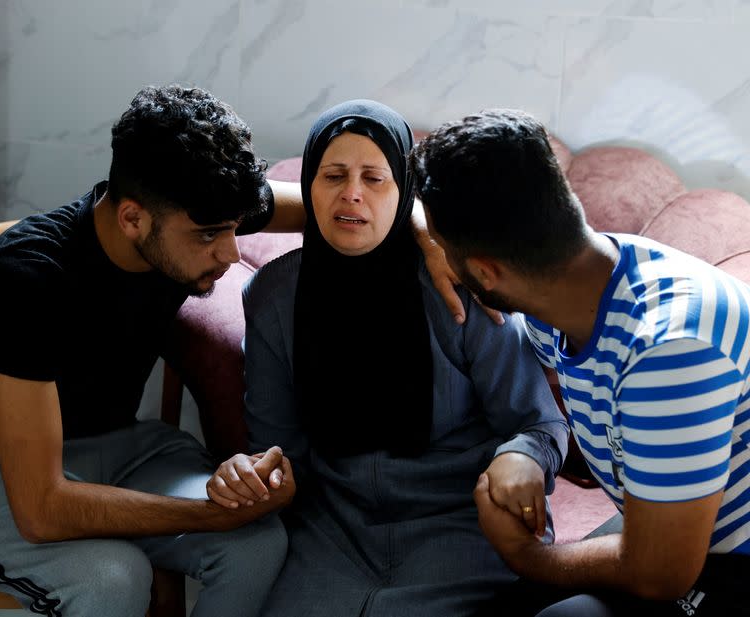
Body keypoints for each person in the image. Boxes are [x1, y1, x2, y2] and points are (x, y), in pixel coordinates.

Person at [0, 84, 304, 617]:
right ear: (133, 219)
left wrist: (421, 229)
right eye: (211, 235)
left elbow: (326, 206)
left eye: (234, 228)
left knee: (256, 543)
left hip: (126, 447)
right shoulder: (28, 275)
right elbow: (43, 510)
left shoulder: (195, 206)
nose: (230, 253)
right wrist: (206, 516)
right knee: (113, 579)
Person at [209, 99, 569, 617]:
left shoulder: (458, 288)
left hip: (461, 524)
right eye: (333, 175)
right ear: (309, 186)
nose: (351, 192)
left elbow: (539, 423)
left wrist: (524, 458)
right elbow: (277, 452)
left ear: (404, 192)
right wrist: (249, 474)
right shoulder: (273, 297)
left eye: (374, 178)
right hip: (330, 531)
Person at [409, 107, 750, 616]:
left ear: (484, 270)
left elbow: (661, 572)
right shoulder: (564, 288)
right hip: (665, 522)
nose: (438, 255)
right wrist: (524, 451)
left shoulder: (670, 349)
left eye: (441, 246)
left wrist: (530, 556)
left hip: (719, 555)